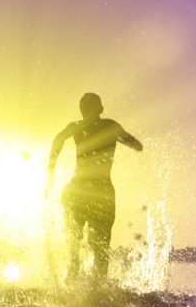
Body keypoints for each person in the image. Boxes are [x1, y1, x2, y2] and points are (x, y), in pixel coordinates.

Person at [46, 93, 142, 282]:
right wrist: (118, 137)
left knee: (74, 243)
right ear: (101, 109)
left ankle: (73, 277)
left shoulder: (76, 127)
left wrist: (50, 173)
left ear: (82, 111)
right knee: (100, 247)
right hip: (101, 192)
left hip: (77, 190)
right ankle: (97, 288)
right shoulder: (109, 126)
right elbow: (137, 145)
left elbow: (57, 141)